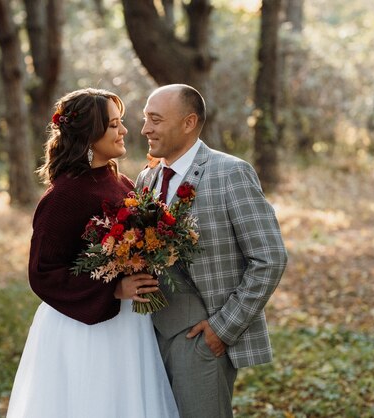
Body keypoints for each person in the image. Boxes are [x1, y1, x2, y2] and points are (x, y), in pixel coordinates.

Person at [6, 88, 179, 418]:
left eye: (121, 122)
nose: (124, 130)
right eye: (114, 124)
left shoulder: (121, 181)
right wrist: (113, 288)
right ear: (89, 133)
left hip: (128, 325)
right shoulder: (63, 196)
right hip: (85, 327)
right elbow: (43, 272)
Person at [136, 84, 288, 418]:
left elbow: (270, 258)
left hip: (201, 337)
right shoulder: (146, 179)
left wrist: (223, 328)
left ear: (189, 122)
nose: (145, 128)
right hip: (146, 337)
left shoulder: (230, 172)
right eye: (146, 119)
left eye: (155, 120)